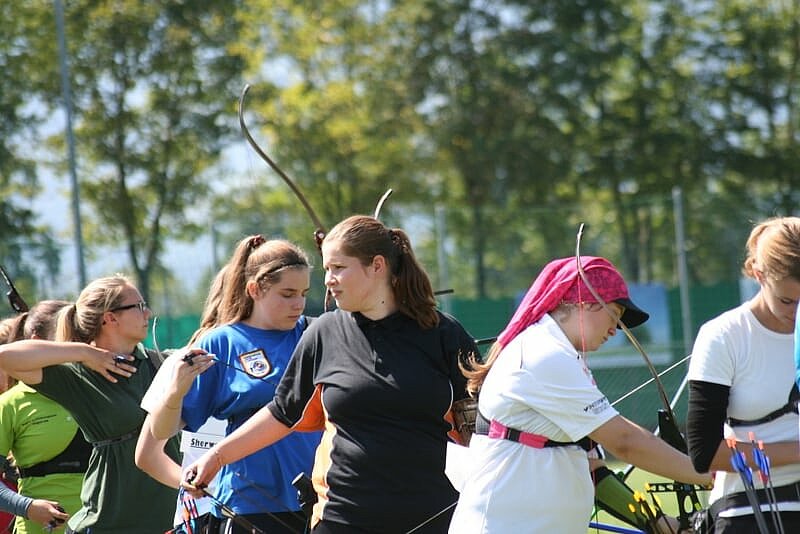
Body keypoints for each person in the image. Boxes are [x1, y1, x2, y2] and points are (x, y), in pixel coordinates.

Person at [182, 215, 479, 534]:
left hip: (435, 517)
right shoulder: (323, 333)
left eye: (338, 267)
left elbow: (480, 426)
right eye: (326, 269)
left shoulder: (444, 334)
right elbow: (282, 413)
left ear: (377, 266)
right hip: (342, 518)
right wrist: (216, 457)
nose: (328, 280)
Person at [447, 256, 710, 534]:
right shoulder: (544, 353)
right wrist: (710, 474)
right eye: (614, 314)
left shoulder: (565, 357)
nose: (615, 328)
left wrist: (660, 524)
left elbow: (593, 469)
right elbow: (625, 441)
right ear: (582, 302)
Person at [142, 237, 322, 533]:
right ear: (255, 290)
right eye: (287, 294)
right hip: (250, 504)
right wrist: (175, 392)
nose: (299, 304)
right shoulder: (221, 342)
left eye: (303, 293)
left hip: (320, 497)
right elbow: (161, 432)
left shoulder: (316, 334)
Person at [0, 275, 181, 533]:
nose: (148, 312)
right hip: (107, 524)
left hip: (169, 523)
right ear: (110, 318)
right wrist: (85, 353)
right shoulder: (78, 375)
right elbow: (4, 357)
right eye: (139, 306)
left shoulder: (164, 364)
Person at [688, 216, 800, 533]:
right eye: (787, 300)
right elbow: (705, 452)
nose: (797, 312)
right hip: (748, 511)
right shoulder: (723, 336)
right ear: (758, 274)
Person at [0, 300, 88, 533]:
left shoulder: (95, 392)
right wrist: (27, 507)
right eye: (70, 337)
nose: (82, 347)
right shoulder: (10, 404)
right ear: (37, 342)